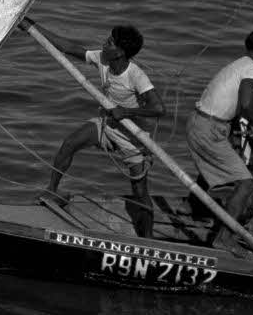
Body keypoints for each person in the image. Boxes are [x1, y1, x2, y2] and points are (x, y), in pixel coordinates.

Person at [42, 23, 164, 235]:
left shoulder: (136, 76)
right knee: (70, 143)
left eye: (109, 43)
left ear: (120, 52)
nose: (103, 44)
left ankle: (148, 239)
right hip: (106, 124)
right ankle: (52, 191)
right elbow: (69, 47)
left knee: (140, 191)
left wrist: (125, 112)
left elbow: (158, 108)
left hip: (132, 136)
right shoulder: (103, 59)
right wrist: (33, 27)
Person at [187, 26, 253, 216]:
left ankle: (193, 206)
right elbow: (246, 103)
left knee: (213, 164)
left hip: (199, 122)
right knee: (246, 183)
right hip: (209, 128)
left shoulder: (239, 63)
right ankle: (225, 236)